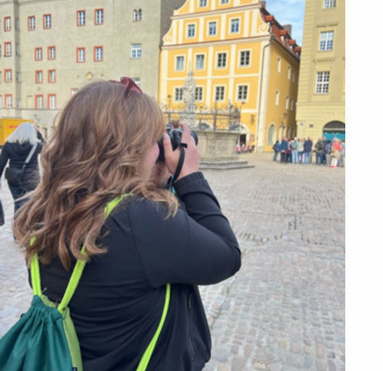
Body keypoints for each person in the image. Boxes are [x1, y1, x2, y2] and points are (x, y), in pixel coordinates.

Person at [13, 79, 240, 369]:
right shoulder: (139, 219)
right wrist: (188, 176)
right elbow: (227, 255)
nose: (161, 148)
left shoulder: (45, 211)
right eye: (155, 139)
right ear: (129, 149)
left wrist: (152, 180)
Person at [0, 123, 42, 218]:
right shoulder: (36, 145)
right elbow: (46, 145)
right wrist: (39, 133)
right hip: (31, 179)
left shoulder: (8, 145)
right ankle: (27, 229)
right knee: (30, 205)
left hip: (14, 179)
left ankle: (17, 231)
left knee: (18, 205)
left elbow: (1, 164)